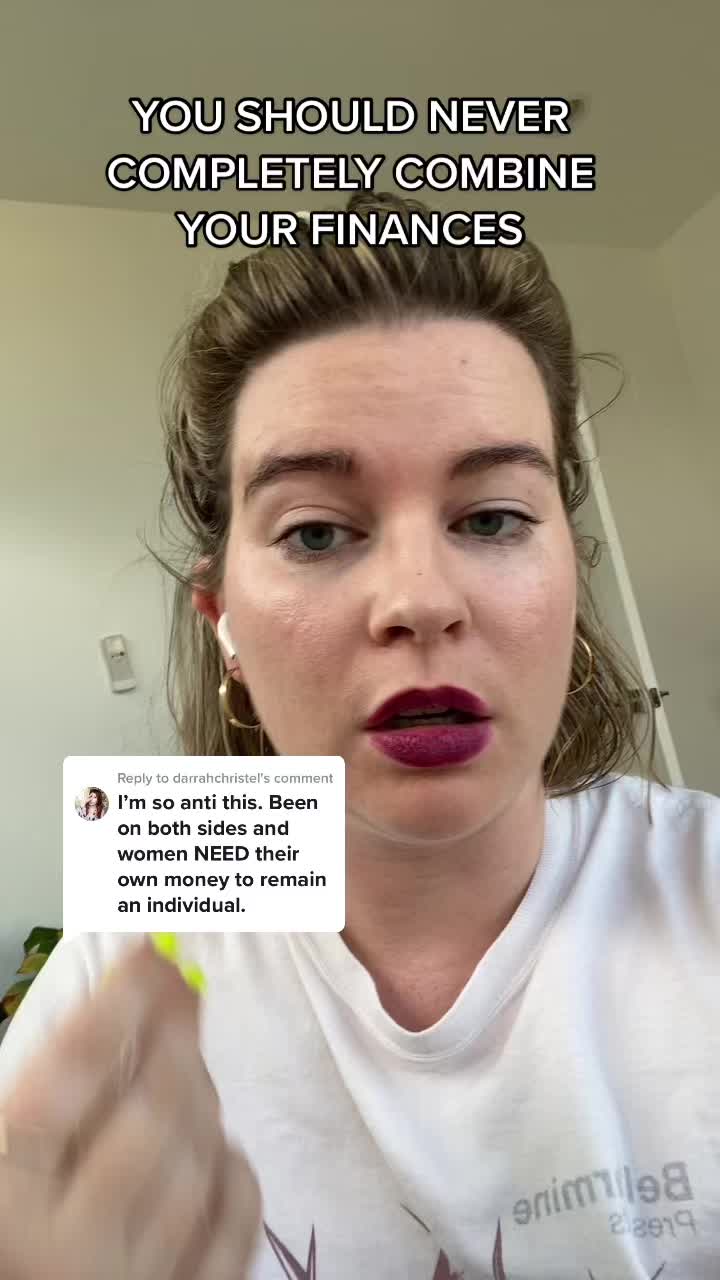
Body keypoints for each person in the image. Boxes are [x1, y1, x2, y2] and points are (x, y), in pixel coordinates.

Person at [1, 192, 718, 1279]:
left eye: (492, 517)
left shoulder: (702, 885)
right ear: (224, 621)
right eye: (317, 532)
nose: (420, 600)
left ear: (571, 575)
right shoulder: (148, 928)